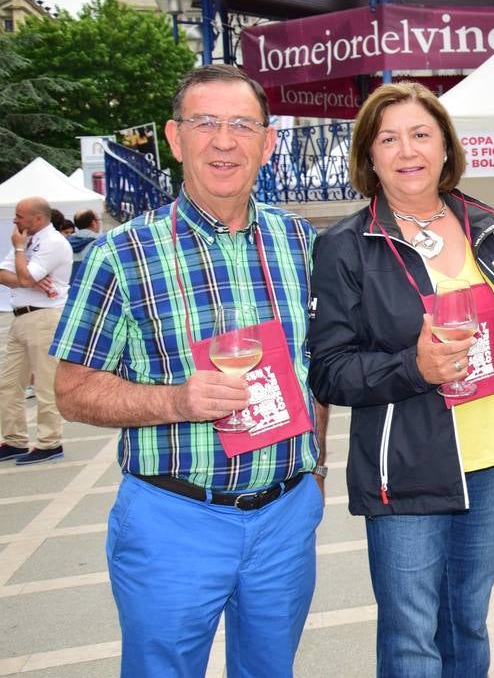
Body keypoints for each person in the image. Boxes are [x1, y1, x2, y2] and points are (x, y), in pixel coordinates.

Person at [51, 64, 328, 677]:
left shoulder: (301, 244)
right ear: (175, 140)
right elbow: (71, 393)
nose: (223, 141)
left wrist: (318, 468)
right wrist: (176, 400)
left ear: (267, 142)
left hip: (283, 517)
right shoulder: (119, 254)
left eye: (240, 125)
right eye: (204, 123)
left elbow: (318, 367)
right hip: (174, 520)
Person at [308, 82, 494, 678]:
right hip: (407, 463)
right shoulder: (345, 246)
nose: (406, 150)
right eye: (388, 138)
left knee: (467, 619)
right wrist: (414, 367)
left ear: (444, 148)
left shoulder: (486, 226)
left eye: (420, 134)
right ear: (369, 155)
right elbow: (328, 370)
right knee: (412, 634)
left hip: (487, 455)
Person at [0, 197, 73, 465]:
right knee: (8, 384)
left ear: (38, 218)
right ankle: (14, 439)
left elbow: (25, 277)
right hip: (21, 316)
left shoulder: (51, 242)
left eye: (20, 215)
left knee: (45, 383)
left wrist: (20, 254)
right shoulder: (27, 240)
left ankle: (49, 442)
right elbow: (4, 274)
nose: (15, 221)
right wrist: (24, 276)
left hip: (44, 316)